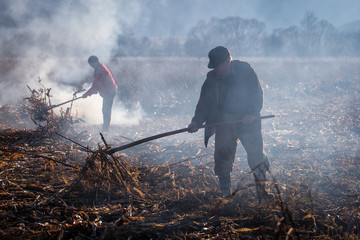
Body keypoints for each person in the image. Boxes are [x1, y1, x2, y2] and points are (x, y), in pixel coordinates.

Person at [187, 46, 270, 202]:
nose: (216, 69)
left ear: (228, 61)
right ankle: (225, 194)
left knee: (256, 155)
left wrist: (251, 113)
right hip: (224, 123)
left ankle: (262, 192)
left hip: (247, 122)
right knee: (222, 158)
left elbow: (256, 95)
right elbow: (203, 104)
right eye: (214, 66)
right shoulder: (211, 79)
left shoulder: (246, 71)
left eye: (218, 65)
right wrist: (196, 121)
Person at [82, 55, 118, 132]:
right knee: (105, 110)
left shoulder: (100, 70)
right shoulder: (99, 67)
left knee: (106, 110)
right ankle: (105, 128)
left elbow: (95, 85)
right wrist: (96, 90)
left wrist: (87, 94)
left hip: (109, 92)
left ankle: (105, 129)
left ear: (95, 62)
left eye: (91, 64)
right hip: (109, 91)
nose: (91, 66)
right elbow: (100, 83)